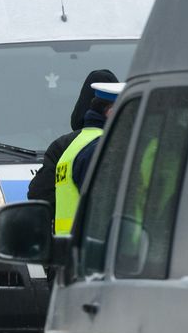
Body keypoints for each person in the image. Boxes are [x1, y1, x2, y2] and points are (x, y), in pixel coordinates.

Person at [28, 69, 119, 212]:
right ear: (112, 111)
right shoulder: (121, 144)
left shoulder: (64, 146)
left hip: (67, 233)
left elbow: (39, 196)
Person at [52, 79, 120, 235]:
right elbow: (105, 209)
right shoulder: (103, 148)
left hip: (71, 248)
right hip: (93, 249)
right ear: (111, 112)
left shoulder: (76, 144)